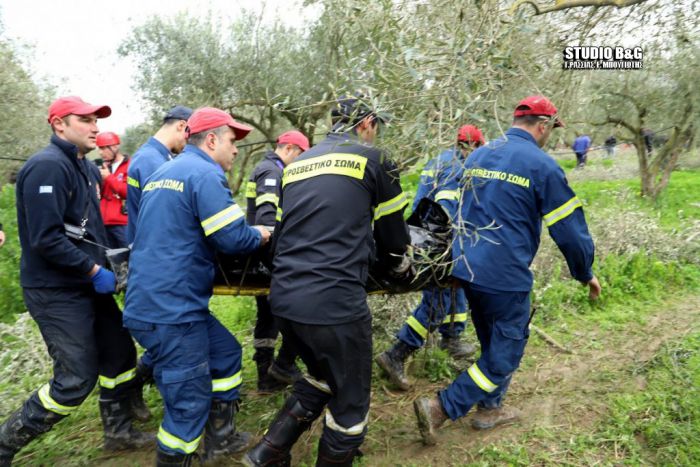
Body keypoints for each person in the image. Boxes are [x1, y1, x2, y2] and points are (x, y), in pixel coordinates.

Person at [413, 95, 601, 445]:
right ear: (543, 127)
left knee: (490, 340)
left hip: (467, 269)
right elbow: (570, 231)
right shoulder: (541, 166)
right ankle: (441, 407)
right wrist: (584, 271)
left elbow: (458, 211)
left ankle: (490, 409)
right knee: (505, 354)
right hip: (505, 276)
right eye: (550, 130)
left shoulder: (479, 155)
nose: (548, 136)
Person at [244, 96, 413, 467]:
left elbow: (285, 230)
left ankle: (266, 454)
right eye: (376, 126)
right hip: (333, 304)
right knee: (351, 404)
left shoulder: (298, 164)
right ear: (367, 123)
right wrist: (394, 268)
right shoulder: (376, 159)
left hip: (285, 300)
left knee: (322, 374)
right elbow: (394, 241)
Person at [0, 96, 153, 466]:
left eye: (96, 120)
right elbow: (45, 238)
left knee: (119, 354)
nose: (95, 127)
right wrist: (92, 271)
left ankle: (118, 433)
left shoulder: (83, 168)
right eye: (85, 119)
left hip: (85, 285)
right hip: (54, 290)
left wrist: (111, 265)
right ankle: (4, 445)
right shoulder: (47, 167)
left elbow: (88, 231)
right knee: (74, 379)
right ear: (59, 125)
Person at [123, 107, 271, 466]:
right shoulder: (204, 174)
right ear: (210, 140)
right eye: (232, 141)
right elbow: (233, 238)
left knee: (225, 355)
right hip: (171, 311)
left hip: (156, 301)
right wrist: (262, 233)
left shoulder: (164, 171)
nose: (236, 150)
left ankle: (221, 438)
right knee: (187, 407)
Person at [376, 124, 485, 391]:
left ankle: (452, 338)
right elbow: (445, 209)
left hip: (420, 233)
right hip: (437, 242)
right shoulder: (455, 167)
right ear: (472, 146)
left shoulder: (442, 159)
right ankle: (397, 354)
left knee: (455, 288)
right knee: (439, 298)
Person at [246, 130, 310, 393]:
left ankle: (266, 376)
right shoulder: (272, 171)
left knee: (268, 315)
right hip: (270, 255)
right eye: (302, 156)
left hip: (261, 257)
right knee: (299, 307)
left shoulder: (266, 167)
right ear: (291, 149)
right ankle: (281, 365)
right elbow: (268, 218)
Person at [126, 105, 193, 243]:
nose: (189, 143)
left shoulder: (153, 156)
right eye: (189, 137)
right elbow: (165, 215)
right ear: (181, 125)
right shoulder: (152, 161)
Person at [96, 131, 129, 248]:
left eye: (104, 148)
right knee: (108, 260)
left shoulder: (130, 165)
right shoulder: (104, 168)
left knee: (127, 257)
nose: (100, 152)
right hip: (104, 223)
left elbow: (128, 192)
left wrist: (109, 177)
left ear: (115, 147)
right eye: (99, 148)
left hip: (122, 224)